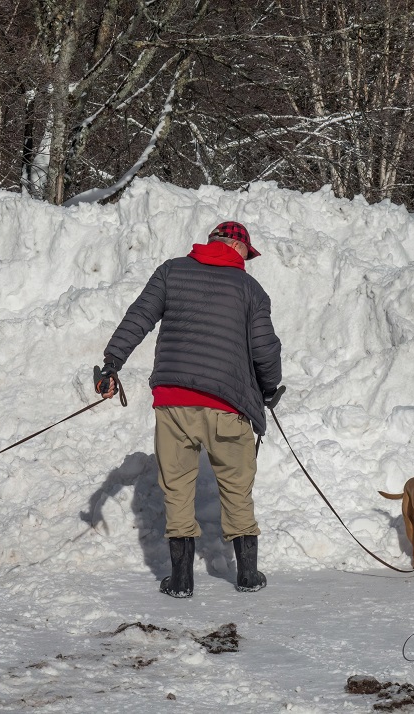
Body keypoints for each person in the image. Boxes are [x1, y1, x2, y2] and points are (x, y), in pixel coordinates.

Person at [94, 221, 283, 598]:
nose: (247, 261)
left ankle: (181, 581)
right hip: (228, 404)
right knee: (237, 487)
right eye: (247, 254)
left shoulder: (171, 272)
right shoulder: (250, 290)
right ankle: (247, 575)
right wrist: (267, 389)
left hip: (173, 401)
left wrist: (112, 363)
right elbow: (265, 350)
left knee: (177, 489)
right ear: (238, 248)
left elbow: (139, 317)